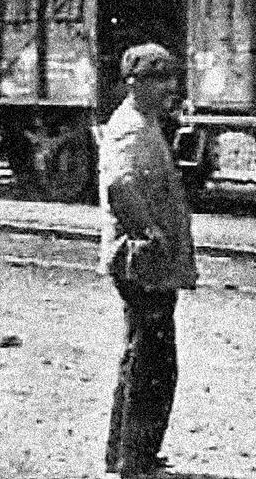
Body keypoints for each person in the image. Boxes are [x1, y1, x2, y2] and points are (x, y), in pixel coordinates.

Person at [99, 43, 197, 479]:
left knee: (143, 353)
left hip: (147, 257)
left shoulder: (145, 124)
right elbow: (119, 186)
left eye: (170, 78)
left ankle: (126, 455)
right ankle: (134, 463)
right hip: (141, 259)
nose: (168, 88)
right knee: (152, 360)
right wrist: (149, 232)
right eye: (157, 80)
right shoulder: (132, 129)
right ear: (133, 83)